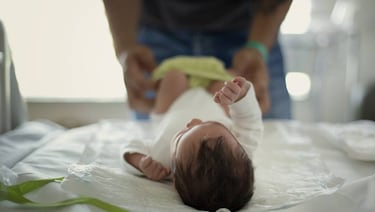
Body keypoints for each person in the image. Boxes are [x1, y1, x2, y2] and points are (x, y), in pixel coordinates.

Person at [103, 0, 293, 119]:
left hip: (250, 27)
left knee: (270, 139)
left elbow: (143, 148)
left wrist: (258, 47)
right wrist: (126, 46)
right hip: (157, 28)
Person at [121, 57, 263, 211]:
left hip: (172, 106)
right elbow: (250, 121)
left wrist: (140, 162)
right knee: (228, 80)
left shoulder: (162, 161)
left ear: (175, 178)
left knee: (174, 77)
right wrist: (239, 97)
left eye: (182, 134)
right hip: (216, 101)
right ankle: (227, 91)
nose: (194, 121)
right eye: (212, 123)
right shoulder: (241, 151)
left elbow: (130, 146)